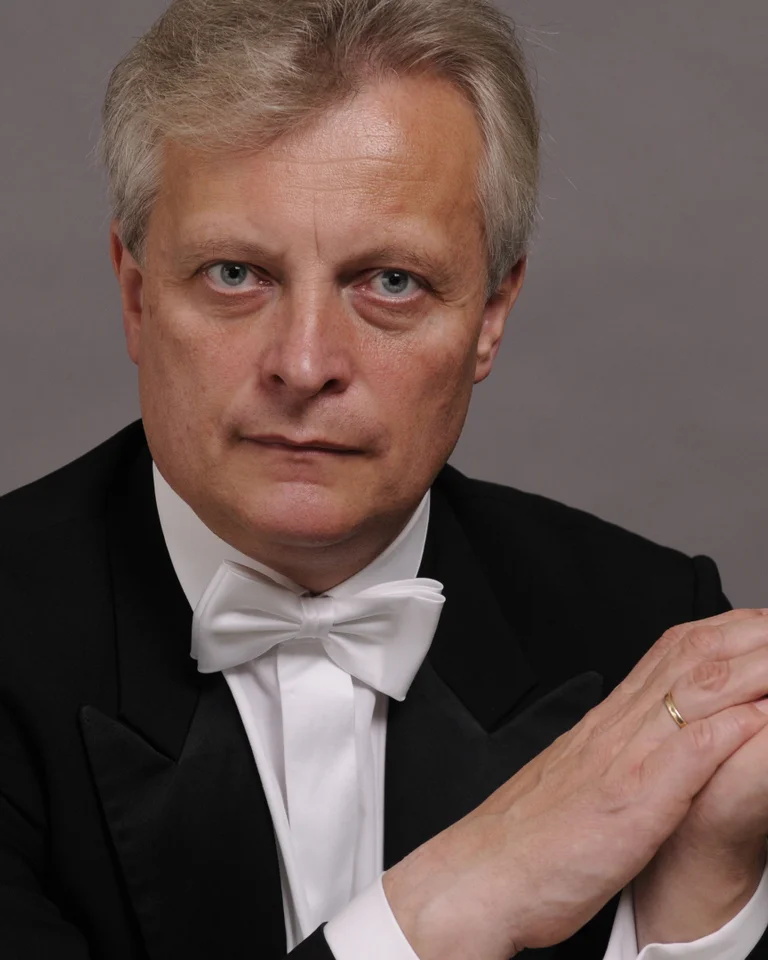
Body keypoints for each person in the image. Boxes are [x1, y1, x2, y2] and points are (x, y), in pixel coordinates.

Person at [1, 0, 767, 957]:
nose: (304, 363)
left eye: (391, 282)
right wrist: (465, 893)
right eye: (235, 273)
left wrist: (702, 904)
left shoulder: (655, 634)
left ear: (491, 314)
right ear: (136, 293)